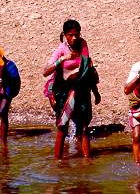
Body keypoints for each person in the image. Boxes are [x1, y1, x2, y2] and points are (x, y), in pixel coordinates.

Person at [43, 19, 100, 159]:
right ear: (65, 35)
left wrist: (95, 91)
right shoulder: (60, 50)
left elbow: (87, 69)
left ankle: (87, 160)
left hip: (82, 90)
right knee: (63, 128)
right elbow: (46, 71)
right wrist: (62, 59)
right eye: (70, 35)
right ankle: (58, 162)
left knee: (85, 128)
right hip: (64, 92)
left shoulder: (83, 44)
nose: (74, 38)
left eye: (77, 34)